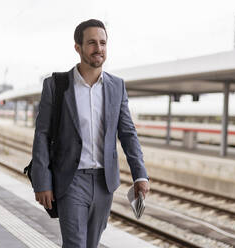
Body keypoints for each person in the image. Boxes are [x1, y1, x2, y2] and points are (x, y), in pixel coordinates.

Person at [31, 19, 150, 248]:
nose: (99, 49)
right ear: (78, 47)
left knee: (91, 244)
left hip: (105, 182)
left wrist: (140, 175)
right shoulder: (57, 85)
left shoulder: (117, 86)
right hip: (71, 179)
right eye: (92, 43)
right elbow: (42, 135)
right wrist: (42, 181)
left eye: (103, 43)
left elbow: (127, 133)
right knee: (76, 244)